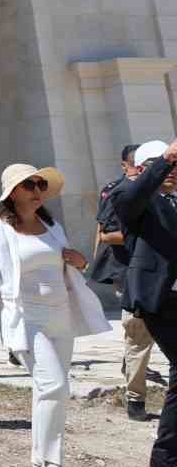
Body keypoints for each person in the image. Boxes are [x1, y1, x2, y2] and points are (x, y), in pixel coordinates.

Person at [0, 162, 109, 467]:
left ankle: (39, 465)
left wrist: (80, 262)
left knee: (48, 391)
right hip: (27, 319)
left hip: (60, 317)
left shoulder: (53, 227)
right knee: (55, 387)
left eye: (40, 184)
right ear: (12, 193)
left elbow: (72, 265)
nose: (37, 190)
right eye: (30, 185)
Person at [109, 139, 177, 467]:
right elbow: (131, 197)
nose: (172, 173)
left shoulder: (173, 200)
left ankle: (166, 454)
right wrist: (164, 159)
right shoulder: (133, 198)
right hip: (158, 300)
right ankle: (165, 455)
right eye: (166, 167)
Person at [92, 144, 165, 420]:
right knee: (138, 335)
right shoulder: (123, 193)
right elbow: (107, 233)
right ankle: (135, 399)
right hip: (134, 274)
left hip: (168, 277)